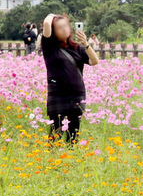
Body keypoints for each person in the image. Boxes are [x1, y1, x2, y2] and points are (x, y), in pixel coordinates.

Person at [41, 13, 99, 144]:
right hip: (58, 95)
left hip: (76, 95)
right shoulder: (50, 47)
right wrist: (51, 15)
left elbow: (94, 61)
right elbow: (46, 24)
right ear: (53, 31)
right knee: (56, 132)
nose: (64, 29)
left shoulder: (77, 48)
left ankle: (70, 159)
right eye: (59, 27)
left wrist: (85, 44)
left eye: (66, 26)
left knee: (73, 134)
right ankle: (53, 159)